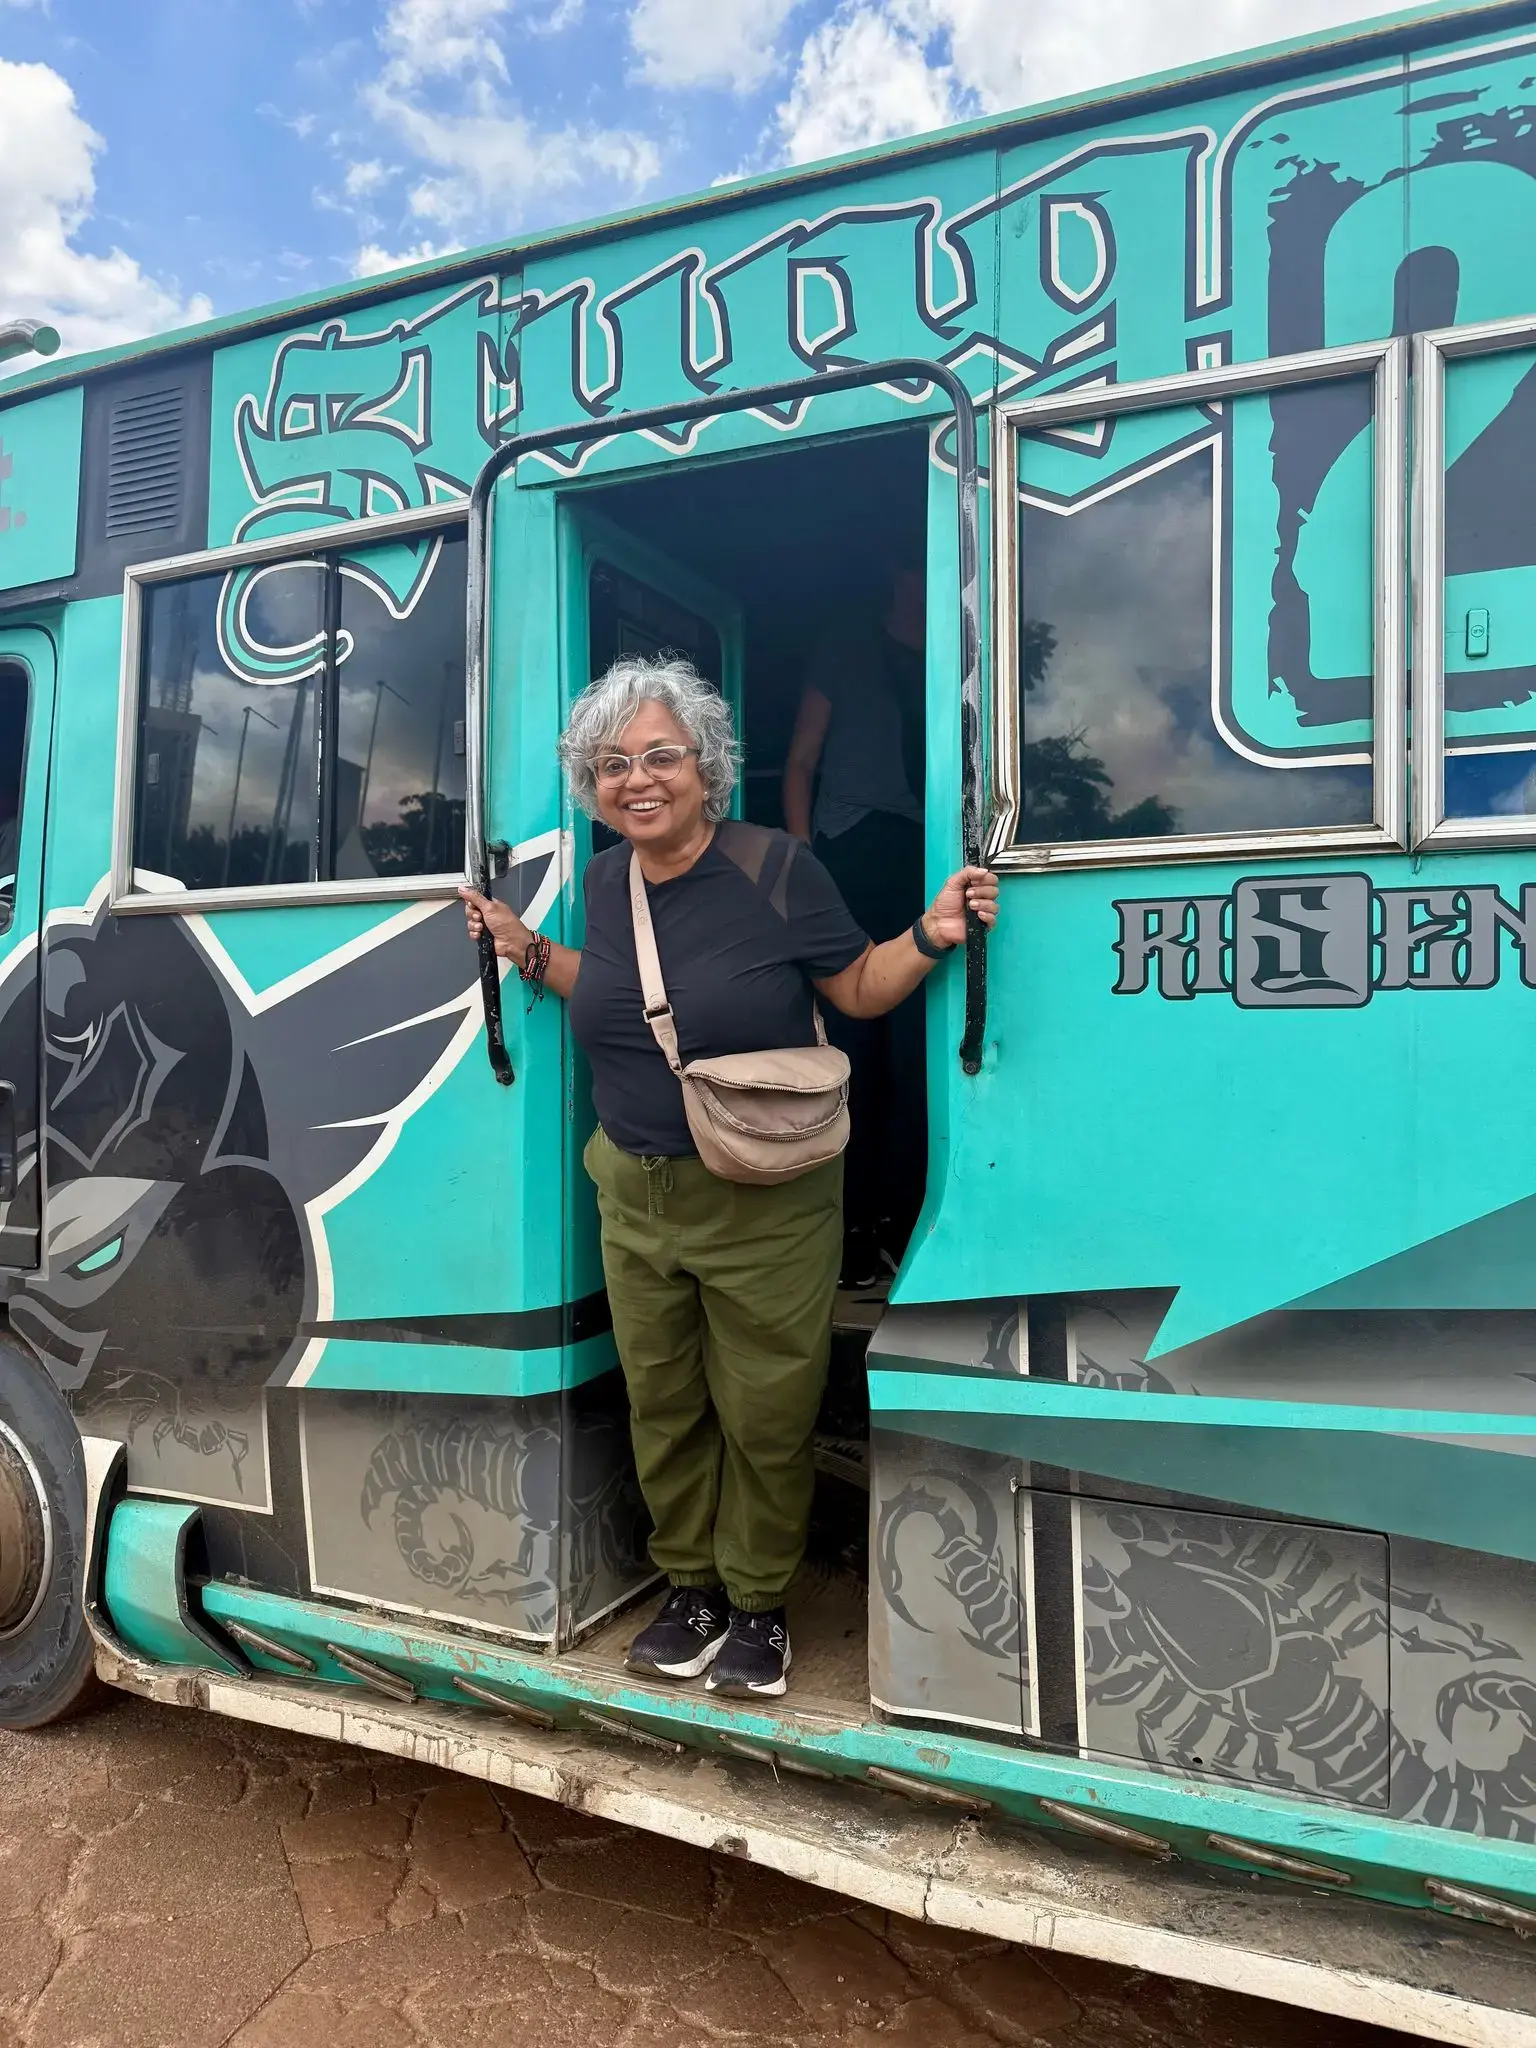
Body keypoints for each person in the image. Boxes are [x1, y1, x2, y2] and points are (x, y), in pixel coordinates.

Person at [461, 654, 997, 1699]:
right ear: (593, 786)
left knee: (765, 1411)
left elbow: (857, 986)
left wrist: (930, 935)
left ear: (707, 766)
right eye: (613, 764)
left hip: (766, 1197)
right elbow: (613, 987)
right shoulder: (606, 882)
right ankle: (692, 1588)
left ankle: (757, 1602)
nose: (638, 779)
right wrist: (527, 949)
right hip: (634, 1193)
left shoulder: (776, 867)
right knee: (663, 1404)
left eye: (661, 755)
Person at [782, 567, 927, 1286]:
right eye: (912, 568)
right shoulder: (847, 644)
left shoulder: (959, 644)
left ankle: (904, 1227)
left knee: (915, 1059)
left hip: (925, 858)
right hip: (848, 854)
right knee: (846, 1053)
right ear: (896, 577)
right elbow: (800, 762)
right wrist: (802, 864)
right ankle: (847, 1235)